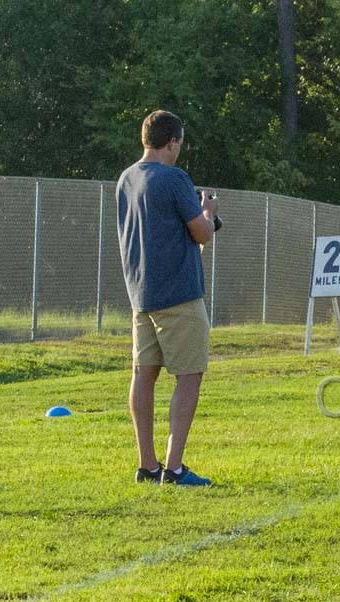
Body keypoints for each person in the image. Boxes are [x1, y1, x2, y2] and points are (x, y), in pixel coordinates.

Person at [116, 109, 220, 487]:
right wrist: (208, 209)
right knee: (189, 376)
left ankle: (147, 464)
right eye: (179, 142)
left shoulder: (127, 178)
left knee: (143, 376)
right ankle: (174, 469)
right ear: (172, 141)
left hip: (141, 294)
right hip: (179, 294)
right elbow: (201, 233)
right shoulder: (175, 178)